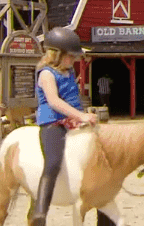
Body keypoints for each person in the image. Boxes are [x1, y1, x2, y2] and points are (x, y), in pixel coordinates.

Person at [31, 27, 98, 226]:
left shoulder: (69, 71)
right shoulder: (46, 74)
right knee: (52, 164)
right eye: (70, 56)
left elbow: (72, 99)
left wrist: (83, 116)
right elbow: (54, 101)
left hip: (74, 120)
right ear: (57, 54)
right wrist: (81, 116)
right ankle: (40, 213)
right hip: (53, 122)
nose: (74, 60)